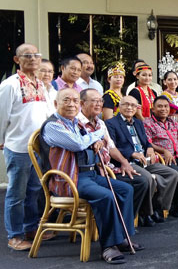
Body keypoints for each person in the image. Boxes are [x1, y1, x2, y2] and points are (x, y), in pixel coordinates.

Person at [41, 88, 142, 264]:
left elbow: (90, 142)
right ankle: (108, 246)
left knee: (126, 189)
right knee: (106, 196)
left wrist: (95, 140)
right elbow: (78, 144)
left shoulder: (76, 124)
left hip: (90, 175)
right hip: (70, 179)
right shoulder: (53, 125)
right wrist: (97, 136)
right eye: (66, 100)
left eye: (74, 100)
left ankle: (122, 237)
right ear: (56, 104)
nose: (72, 104)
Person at [0, 43, 54, 251]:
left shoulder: (41, 84)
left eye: (36, 55)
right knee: (16, 193)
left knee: (35, 190)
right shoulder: (10, 84)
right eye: (27, 55)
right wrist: (2, 138)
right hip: (18, 146)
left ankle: (30, 228)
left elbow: (47, 114)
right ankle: (15, 236)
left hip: (38, 147)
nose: (33, 58)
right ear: (17, 60)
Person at [77, 89, 150, 221]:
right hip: (92, 172)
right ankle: (119, 223)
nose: (99, 104)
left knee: (139, 182)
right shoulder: (76, 123)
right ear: (82, 103)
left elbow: (111, 147)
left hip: (108, 167)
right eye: (94, 101)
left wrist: (124, 162)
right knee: (139, 182)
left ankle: (125, 224)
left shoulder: (100, 123)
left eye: (100, 101)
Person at [106, 96, 178, 227]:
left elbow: (146, 141)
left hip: (145, 161)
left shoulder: (139, 122)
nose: (129, 108)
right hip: (128, 162)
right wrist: (132, 153)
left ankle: (158, 207)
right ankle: (146, 213)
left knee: (172, 174)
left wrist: (150, 148)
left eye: (133, 105)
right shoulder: (111, 123)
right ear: (119, 107)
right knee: (148, 178)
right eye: (126, 105)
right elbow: (112, 146)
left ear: (137, 108)